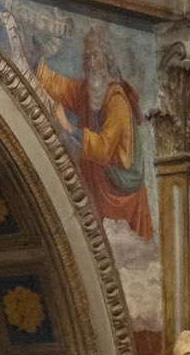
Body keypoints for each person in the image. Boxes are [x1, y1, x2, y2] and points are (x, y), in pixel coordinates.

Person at [26, 26, 154, 239]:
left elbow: (103, 149)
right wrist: (35, 63)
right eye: (87, 57)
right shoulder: (87, 91)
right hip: (97, 188)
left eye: (96, 55)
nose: (92, 63)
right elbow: (60, 86)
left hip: (121, 195)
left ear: (106, 59)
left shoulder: (117, 99)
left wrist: (68, 127)